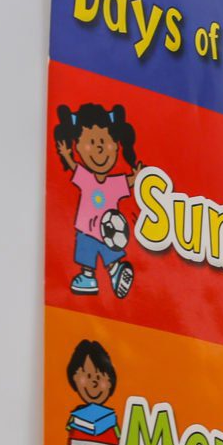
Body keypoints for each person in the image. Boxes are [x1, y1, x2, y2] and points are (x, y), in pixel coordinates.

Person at [54, 103, 140, 298]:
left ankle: (116, 272)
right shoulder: (86, 178)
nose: (99, 147)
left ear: (117, 146)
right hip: (86, 231)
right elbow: (74, 168)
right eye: (91, 142)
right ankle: (88, 278)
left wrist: (137, 176)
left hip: (108, 232)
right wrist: (66, 156)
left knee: (110, 253)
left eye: (104, 140)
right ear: (78, 146)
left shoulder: (114, 183)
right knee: (86, 255)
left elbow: (128, 182)